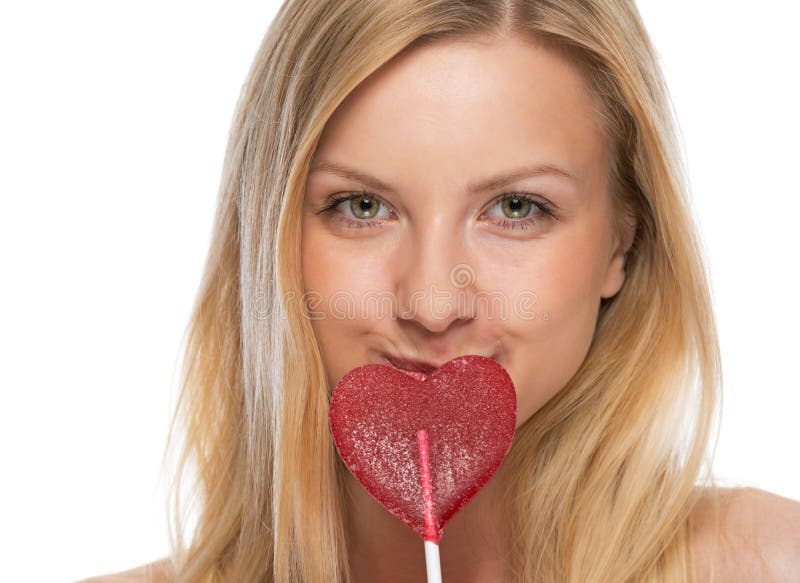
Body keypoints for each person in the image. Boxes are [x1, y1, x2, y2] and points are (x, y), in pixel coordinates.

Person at [80, 0, 800, 581]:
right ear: (270, 233)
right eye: (362, 206)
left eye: (516, 208)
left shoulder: (770, 564)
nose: (430, 302)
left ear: (622, 242)